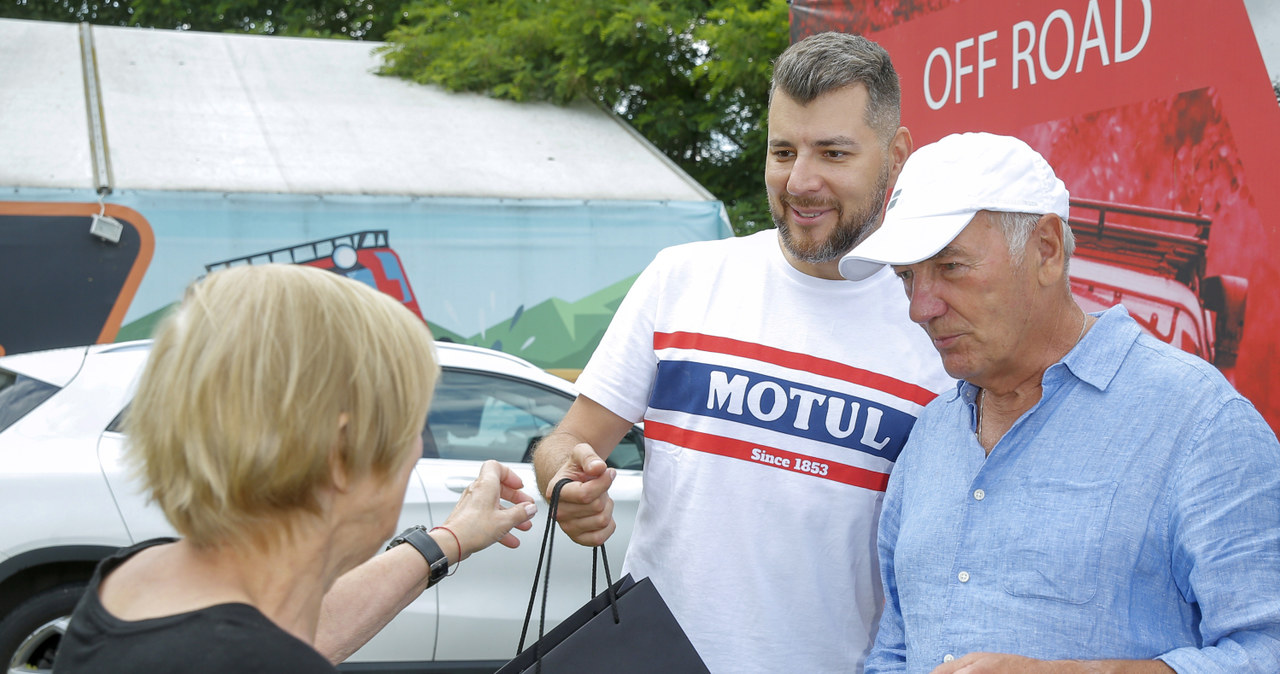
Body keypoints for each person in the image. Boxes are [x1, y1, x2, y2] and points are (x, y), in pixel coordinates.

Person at [531, 32, 953, 672]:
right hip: (651, 661)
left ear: (896, 156)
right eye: (783, 151)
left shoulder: (935, 328)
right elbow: (566, 442)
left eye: (833, 152)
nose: (801, 181)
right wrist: (567, 482)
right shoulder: (682, 278)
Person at [837, 132, 1280, 673]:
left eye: (950, 266)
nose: (920, 307)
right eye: (907, 278)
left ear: (1046, 249)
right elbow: (896, 650)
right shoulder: (930, 435)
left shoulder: (1200, 422)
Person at [52, 263, 538, 673]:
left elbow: (300, 628)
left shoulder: (143, 577)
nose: (414, 451)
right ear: (340, 454)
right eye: (411, 426)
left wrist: (454, 537)